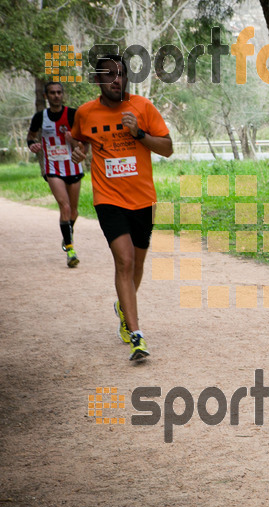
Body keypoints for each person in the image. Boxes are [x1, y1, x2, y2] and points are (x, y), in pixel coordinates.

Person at [69, 55, 173, 361]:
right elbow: (78, 141)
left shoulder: (142, 107)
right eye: (109, 75)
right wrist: (78, 152)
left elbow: (167, 148)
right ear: (98, 80)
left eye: (121, 75)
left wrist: (139, 134)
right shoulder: (86, 113)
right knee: (125, 262)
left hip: (142, 198)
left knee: (137, 265)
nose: (117, 80)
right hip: (108, 198)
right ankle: (136, 334)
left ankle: (123, 307)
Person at [27, 81, 87, 267]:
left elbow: (84, 142)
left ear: (63, 94)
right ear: (46, 96)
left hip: (73, 166)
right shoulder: (40, 117)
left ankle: (67, 233)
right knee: (65, 207)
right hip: (52, 168)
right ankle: (70, 250)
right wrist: (32, 145)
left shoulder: (73, 114)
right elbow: (30, 137)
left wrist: (73, 141)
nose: (56, 95)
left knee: (74, 211)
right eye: (52, 93)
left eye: (59, 92)